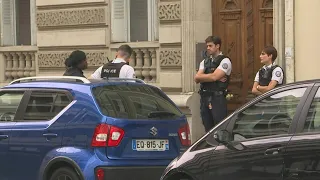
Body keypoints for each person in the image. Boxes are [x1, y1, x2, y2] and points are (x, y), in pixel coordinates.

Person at [194, 36, 232, 132]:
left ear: (218, 46)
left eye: (210, 46)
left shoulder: (225, 61)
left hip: (217, 98)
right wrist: (211, 77)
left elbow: (214, 77)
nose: (208, 48)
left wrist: (207, 76)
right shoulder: (204, 61)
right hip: (204, 98)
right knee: (207, 127)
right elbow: (196, 78)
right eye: (207, 46)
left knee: (219, 127)